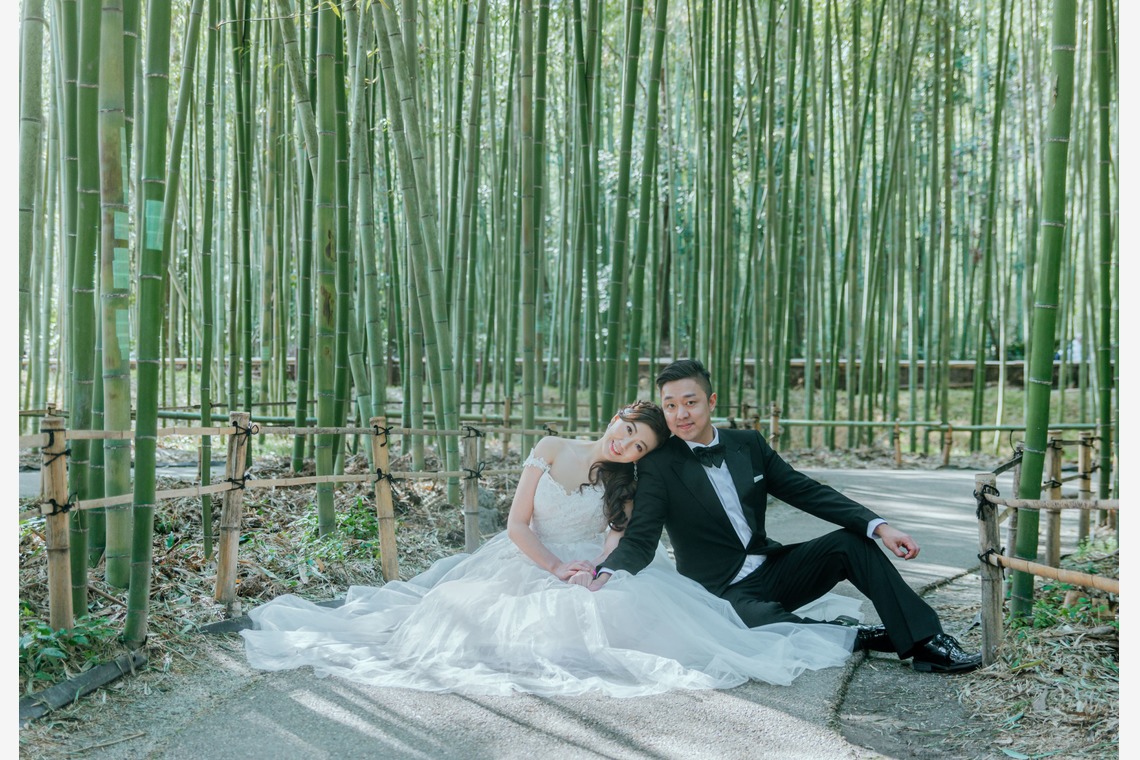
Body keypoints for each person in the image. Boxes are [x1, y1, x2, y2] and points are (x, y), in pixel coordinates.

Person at [241, 401, 859, 696]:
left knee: (612, 613)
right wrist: (555, 564)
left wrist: (596, 569)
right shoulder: (553, 447)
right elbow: (516, 524)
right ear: (616, 418)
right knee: (479, 626)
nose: (627, 447)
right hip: (527, 554)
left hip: (586, 561)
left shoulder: (630, 482)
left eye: (640, 447)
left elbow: (618, 537)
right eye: (628, 433)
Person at [591, 360, 982, 674]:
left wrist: (880, 526)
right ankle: (863, 635)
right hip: (722, 592)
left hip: (774, 568)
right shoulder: (659, 465)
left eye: (690, 402)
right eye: (671, 405)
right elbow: (642, 538)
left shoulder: (748, 444)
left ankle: (927, 642)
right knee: (765, 629)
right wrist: (606, 572)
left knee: (850, 543)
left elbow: (804, 490)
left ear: (712, 402)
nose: (680, 414)